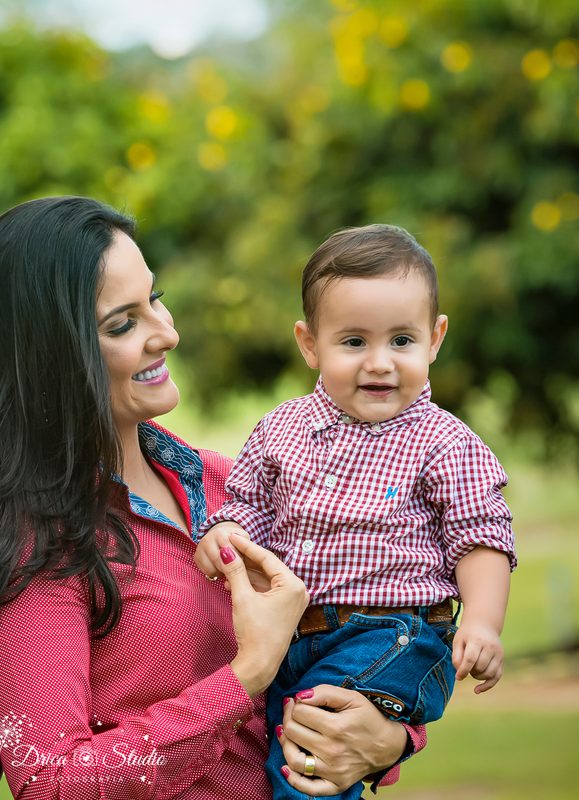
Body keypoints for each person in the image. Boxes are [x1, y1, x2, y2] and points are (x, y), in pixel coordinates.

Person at [0, 197, 427, 800]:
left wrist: (392, 738)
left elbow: (372, 627)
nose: (166, 332)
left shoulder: (233, 486)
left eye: (155, 298)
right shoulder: (46, 544)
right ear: (51, 355)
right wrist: (246, 676)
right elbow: (49, 780)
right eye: (122, 324)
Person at [194, 224, 517, 799]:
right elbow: (249, 507)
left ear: (435, 338)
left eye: (401, 341)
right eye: (353, 342)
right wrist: (223, 531)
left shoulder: (442, 441)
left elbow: (481, 535)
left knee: (309, 757)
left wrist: (485, 622)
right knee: (283, 754)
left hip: (396, 636)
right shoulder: (282, 430)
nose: (379, 363)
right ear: (310, 342)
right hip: (296, 637)